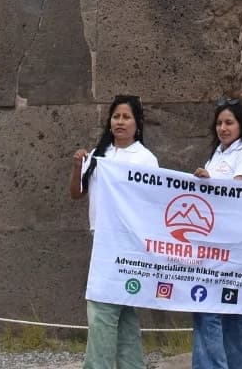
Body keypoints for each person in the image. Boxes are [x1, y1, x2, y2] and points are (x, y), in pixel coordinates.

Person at [69, 95, 158, 369]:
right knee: (124, 314)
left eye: (126, 117)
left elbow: (153, 201)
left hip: (128, 242)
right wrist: (76, 166)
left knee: (101, 310)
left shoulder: (145, 159)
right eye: (116, 116)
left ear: (137, 123)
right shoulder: (99, 155)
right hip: (102, 239)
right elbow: (77, 193)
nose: (120, 122)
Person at [189, 99, 242, 369]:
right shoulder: (216, 154)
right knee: (232, 313)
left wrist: (209, 181)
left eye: (229, 122)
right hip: (214, 242)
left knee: (207, 310)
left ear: (241, 124)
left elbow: (239, 193)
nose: (223, 128)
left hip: (232, 245)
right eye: (219, 123)